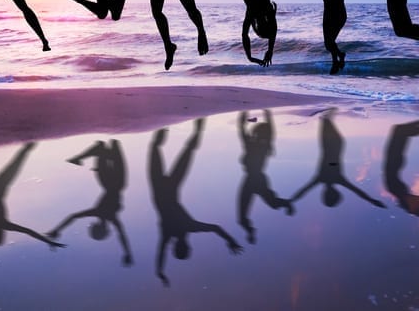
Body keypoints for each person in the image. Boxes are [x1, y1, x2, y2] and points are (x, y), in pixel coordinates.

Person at [150, 119, 242, 286]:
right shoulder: (176, 231)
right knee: (161, 147)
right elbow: (161, 253)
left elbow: (216, 228)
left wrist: (230, 240)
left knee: (179, 149)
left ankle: (193, 126)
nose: (178, 246)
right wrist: (160, 272)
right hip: (163, 189)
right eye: (179, 248)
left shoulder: (186, 228)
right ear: (180, 247)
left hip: (165, 187)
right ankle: (182, 123)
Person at [47, 140, 133, 265]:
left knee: (111, 146)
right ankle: (78, 158)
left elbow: (122, 235)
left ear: (106, 229)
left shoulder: (110, 217)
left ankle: (78, 158)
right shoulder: (100, 214)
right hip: (108, 181)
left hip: (118, 182)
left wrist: (127, 252)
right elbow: (73, 217)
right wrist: (57, 230)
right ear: (95, 227)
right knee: (103, 147)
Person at [289, 110, 385, 210]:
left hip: (336, 144)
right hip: (329, 144)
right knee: (325, 119)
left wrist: (371, 200)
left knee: (325, 119)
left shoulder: (336, 179)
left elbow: (357, 192)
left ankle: (327, 107)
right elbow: (304, 191)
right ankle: (327, 108)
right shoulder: (325, 179)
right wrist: (292, 201)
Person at [237, 110, 293, 244]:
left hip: (253, 181)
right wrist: (266, 113)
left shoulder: (256, 146)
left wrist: (246, 113)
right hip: (256, 180)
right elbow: (243, 129)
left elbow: (241, 128)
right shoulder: (259, 145)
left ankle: (287, 204)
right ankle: (286, 204)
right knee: (271, 205)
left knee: (244, 216)